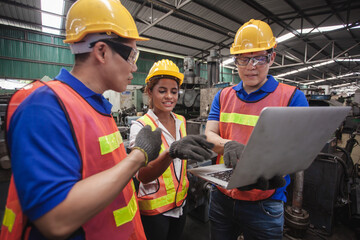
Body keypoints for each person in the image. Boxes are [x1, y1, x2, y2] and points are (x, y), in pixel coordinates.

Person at [1, 0, 164, 239]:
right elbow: (55, 218)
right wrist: (138, 156)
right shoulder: (45, 106)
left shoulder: (97, 106)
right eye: (132, 55)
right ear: (101, 51)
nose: (134, 66)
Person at [205, 19, 309, 240]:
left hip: (264, 202)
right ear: (235, 61)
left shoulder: (292, 97)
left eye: (259, 58)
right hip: (223, 196)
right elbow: (209, 135)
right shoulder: (223, 96)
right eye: (243, 59)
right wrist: (228, 145)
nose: (251, 66)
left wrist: (270, 168)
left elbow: (300, 149)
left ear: (271, 57)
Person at [129, 59, 214, 240]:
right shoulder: (141, 126)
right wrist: (170, 153)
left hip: (181, 204)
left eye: (174, 91)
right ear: (150, 92)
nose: (169, 96)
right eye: (162, 91)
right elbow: (142, 175)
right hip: (154, 211)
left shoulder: (181, 121)